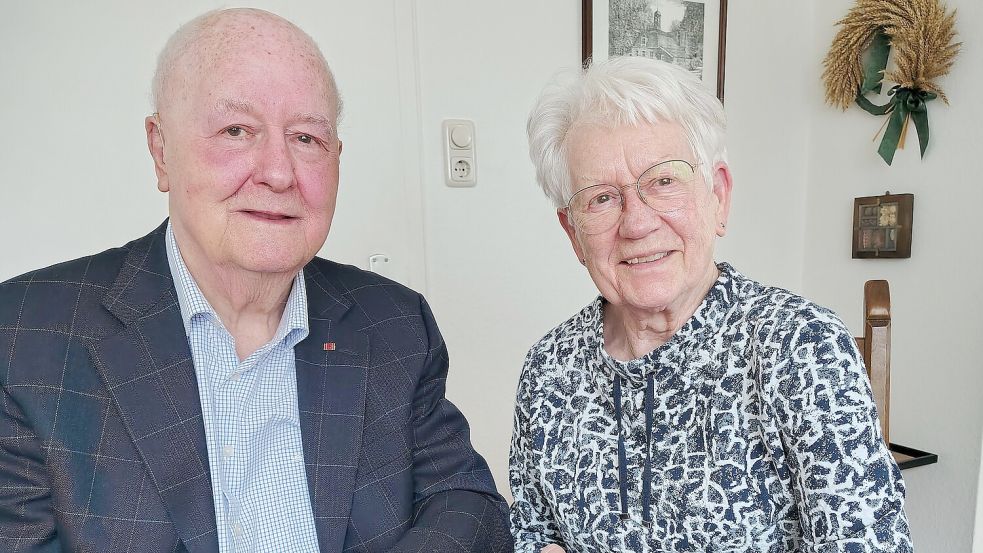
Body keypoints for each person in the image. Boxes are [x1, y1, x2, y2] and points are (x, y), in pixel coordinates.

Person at [0, 8, 510, 552]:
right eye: (236, 130)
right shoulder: (25, 336)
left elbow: (467, 505)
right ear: (161, 149)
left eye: (307, 138)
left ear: (338, 157)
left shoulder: (396, 324)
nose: (278, 171)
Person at [509, 57, 911, 552]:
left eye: (663, 181)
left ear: (717, 197)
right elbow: (529, 535)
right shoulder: (548, 370)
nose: (636, 224)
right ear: (573, 233)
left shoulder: (800, 348)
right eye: (601, 198)